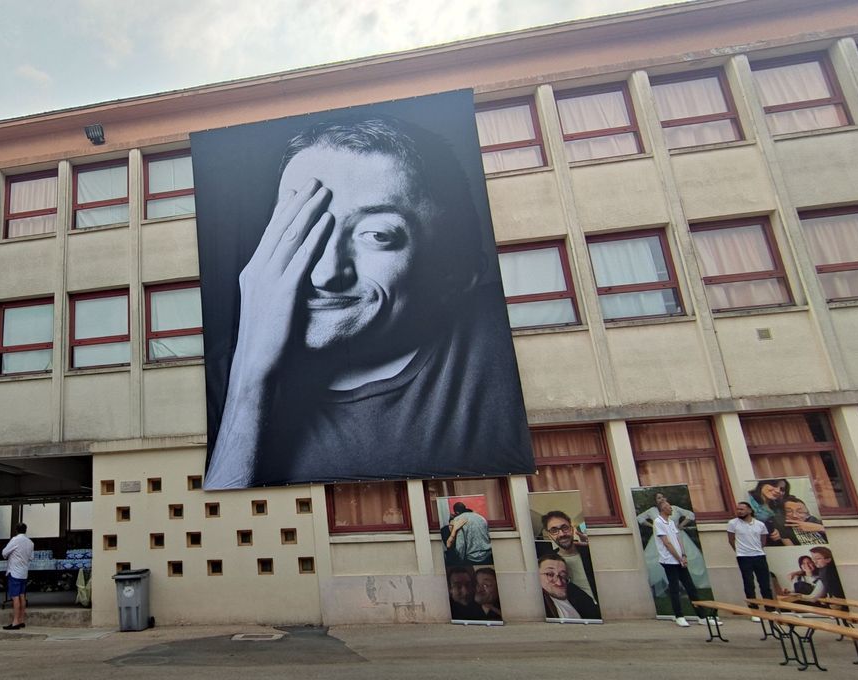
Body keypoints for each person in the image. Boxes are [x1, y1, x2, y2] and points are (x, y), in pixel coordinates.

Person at [202, 114, 531, 489]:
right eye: (304, 227)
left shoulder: (507, 344)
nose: (325, 273)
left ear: (454, 272)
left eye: (376, 234)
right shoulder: (214, 383)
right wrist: (252, 376)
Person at [637, 492, 708, 599]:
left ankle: (686, 588)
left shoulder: (674, 508)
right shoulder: (652, 511)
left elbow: (690, 515)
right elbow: (640, 518)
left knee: (689, 559)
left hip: (678, 536)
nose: (661, 499)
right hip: (661, 538)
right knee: (658, 561)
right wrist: (652, 526)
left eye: (662, 497)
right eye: (658, 498)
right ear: (655, 501)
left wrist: (681, 525)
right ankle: (667, 587)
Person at [654, 499, 709, 627]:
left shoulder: (671, 522)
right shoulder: (658, 522)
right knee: (674, 588)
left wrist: (683, 555)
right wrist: (678, 558)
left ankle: (701, 615)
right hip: (669, 560)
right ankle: (679, 615)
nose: (671, 508)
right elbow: (666, 543)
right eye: (668, 506)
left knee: (690, 587)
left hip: (679, 559)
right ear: (662, 509)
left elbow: (678, 540)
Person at [726, 501, 776, 620]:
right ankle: (754, 610)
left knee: (764, 583)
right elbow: (731, 540)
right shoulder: (733, 523)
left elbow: (763, 540)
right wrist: (739, 551)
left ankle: (770, 608)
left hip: (759, 555)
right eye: (738, 509)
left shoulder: (759, 524)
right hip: (743, 557)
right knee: (749, 583)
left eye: (742, 509)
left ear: (749, 510)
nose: (739, 511)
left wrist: (758, 549)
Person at [541, 510, 598, 602]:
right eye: (554, 530)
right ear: (549, 535)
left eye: (565, 528)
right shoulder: (549, 562)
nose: (562, 534)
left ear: (571, 529)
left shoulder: (589, 551)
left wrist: (596, 546)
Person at [539, 554, 600, 620]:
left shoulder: (575, 593)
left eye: (563, 575)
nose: (559, 582)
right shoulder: (538, 603)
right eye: (550, 574)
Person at [1, 523, 33, 630]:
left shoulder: (15, 540)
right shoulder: (30, 543)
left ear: (16, 530)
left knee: (15, 597)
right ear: (26, 530)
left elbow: (4, 553)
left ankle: (15, 622)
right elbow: (31, 557)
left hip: (14, 572)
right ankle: (22, 620)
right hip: (24, 573)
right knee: (22, 596)